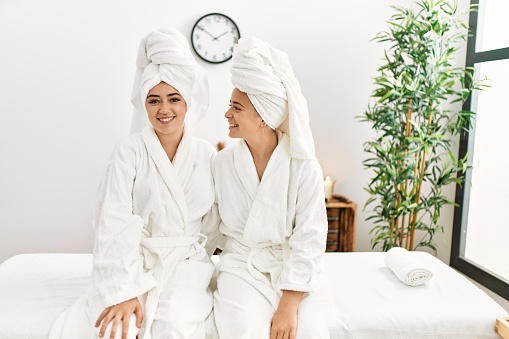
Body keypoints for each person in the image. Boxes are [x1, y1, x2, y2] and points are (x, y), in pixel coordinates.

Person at [49, 28, 219, 339]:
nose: (163, 109)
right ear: (144, 104)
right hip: (134, 260)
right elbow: (113, 222)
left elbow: (218, 222)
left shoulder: (207, 154)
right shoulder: (129, 152)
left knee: (176, 326)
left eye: (174, 99)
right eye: (154, 100)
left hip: (187, 263)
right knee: (121, 326)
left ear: (187, 103)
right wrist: (122, 290)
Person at [212, 37, 332, 339]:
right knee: (243, 330)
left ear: (264, 117)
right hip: (241, 266)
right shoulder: (222, 163)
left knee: (308, 332)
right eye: (230, 106)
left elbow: (310, 237)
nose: (227, 114)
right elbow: (208, 224)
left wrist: (289, 304)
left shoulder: (303, 167)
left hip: (294, 269)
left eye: (236, 108)